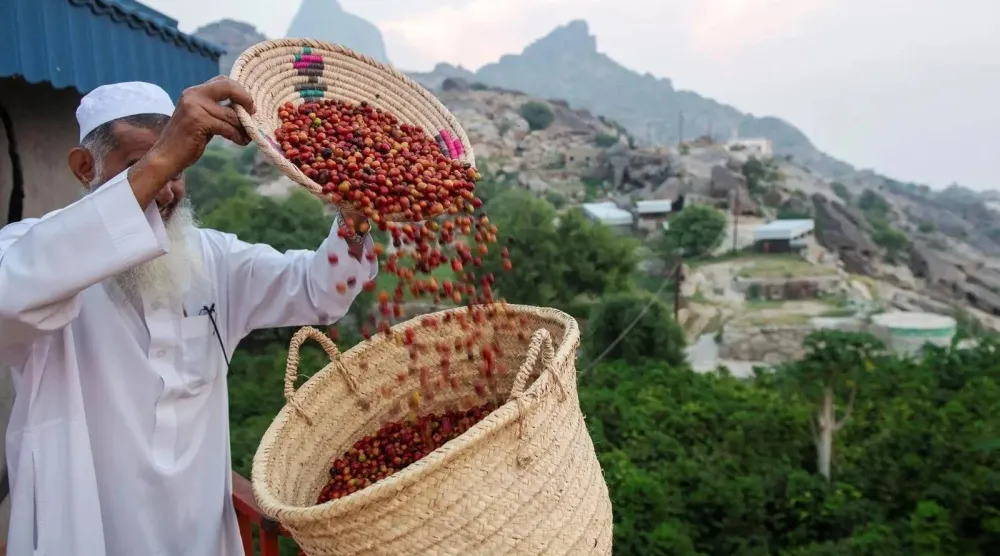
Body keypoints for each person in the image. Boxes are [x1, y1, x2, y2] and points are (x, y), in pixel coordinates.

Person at [0, 78, 377, 556]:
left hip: (197, 531)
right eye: (143, 166)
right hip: (86, 531)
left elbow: (320, 291)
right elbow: (8, 300)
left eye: (179, 170)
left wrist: (355, 218)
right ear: (83, 168)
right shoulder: (32, 251)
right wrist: (163, 160)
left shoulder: (213, 257)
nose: (165, 189)